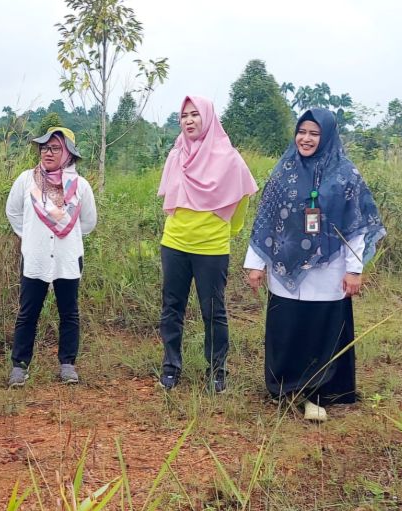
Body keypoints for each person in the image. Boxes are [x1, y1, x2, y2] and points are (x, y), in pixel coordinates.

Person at [244, 108, 385, 421]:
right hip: (285, 267)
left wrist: (354, 270)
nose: (305, 139)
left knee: (322, 329)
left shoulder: (345, 174)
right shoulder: (284, 171)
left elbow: (356, 227)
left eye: (314, 133)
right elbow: (266, 220)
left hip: (328, 272)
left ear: (328, 136)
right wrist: (256, 264)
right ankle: (285, 386)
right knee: (287, 326)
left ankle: (319, 392)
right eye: (302, 132)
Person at [157, 95, 258, 393]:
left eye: (195, 114)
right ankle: (171, 367)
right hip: (174, 242)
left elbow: (242, 197)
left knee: (213, 311)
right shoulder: (177, 154)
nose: (189, 120)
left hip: (212, 247)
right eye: (184, 115)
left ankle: (217, 371)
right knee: (172, 307)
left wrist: (227, 229)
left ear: (208, 117)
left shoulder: (229, 158)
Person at [5, 127, 97, 386]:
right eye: (44, 148)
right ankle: (19, 366)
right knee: (27, 313)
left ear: (68, 153)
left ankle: (67, 364)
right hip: (35, 257)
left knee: (69, 313)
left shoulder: (80, 186)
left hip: (68, 257)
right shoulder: (26, 180)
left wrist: (65, 235)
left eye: (55, 148)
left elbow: (88, 222)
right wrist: (32, 236)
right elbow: (13, 212)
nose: (47, 153)